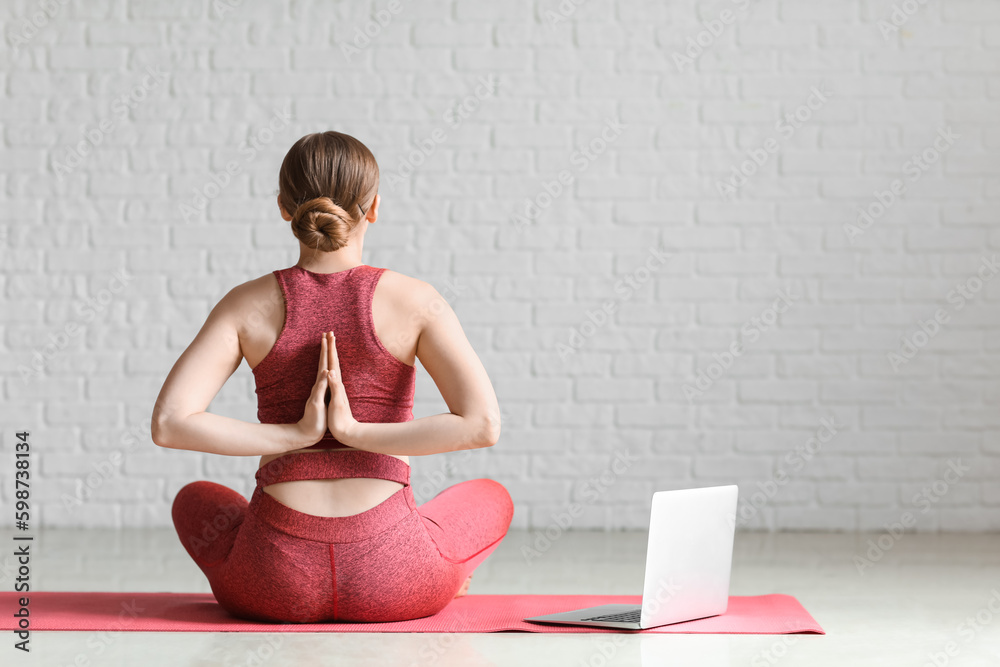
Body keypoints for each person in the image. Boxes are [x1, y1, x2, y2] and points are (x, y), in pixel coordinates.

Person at [151, 130, 513, 623]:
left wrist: (294, 435)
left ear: (283, 207)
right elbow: (482, 425)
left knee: (195, 500)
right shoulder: (416, 299)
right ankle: (448, 571)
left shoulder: (245, 303)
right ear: (375, 207)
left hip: (272, 585)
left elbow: (170, 423)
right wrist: (358, 434)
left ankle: (245, 568)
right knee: (490, 498)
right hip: (396, 581)